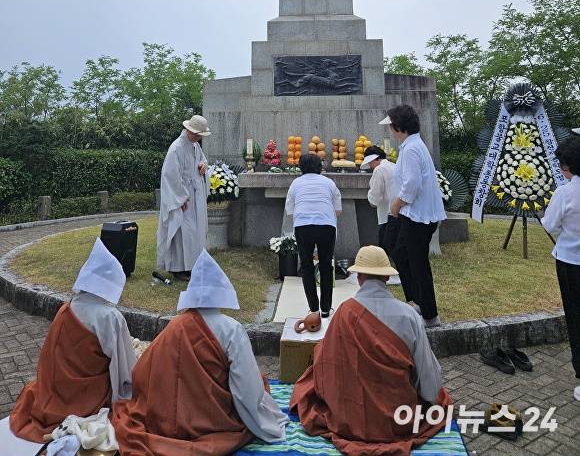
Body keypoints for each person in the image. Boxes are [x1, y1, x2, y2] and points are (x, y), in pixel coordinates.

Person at [113, 250, 288, 454]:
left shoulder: (174, 327)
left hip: (165, 418)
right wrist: (264, 420)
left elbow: (143, 372)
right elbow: (247, 390)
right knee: (261, 382)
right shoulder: (231, 329)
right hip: (213, 419)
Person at [290, 245, 452, 455]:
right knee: (440, 397)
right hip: (398, 418)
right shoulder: (408, 315)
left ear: (358, 277)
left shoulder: (344, 313)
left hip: (350, 417)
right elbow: (429, 385)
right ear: (386, 278)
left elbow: (326, 367)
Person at [10, 238, 136, 443]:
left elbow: (50, 358)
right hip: (87, 399)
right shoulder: (110, 317)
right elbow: (125, 371)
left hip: (55, 389)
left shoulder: (67, 308)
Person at [381, 105, 446, 328]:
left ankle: (429, 314)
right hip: (414, 215)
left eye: (391, 126)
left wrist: (397, 204)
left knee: (418, 263)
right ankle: (418, 301)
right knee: (400, 252)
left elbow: (412, 184)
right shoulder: (413, 145)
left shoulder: (411, 149)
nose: (390, 130)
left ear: (398, 127)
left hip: (417, 216)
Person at [542, 138, 580, 402]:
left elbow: (550, 225)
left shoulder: (565, 193)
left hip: (571, 263)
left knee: (576, 319)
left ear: (567, 166)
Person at [285, 152, 342, 330]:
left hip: (303, 226)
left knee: (307, 266)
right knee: (326, 266)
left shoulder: (296, 183)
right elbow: (338, 210)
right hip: (326, 225)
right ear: (320, 167)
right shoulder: (329, 183)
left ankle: (313, 308)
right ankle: (325, 310)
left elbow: (289, 210)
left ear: (300, 167)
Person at [157, 114, 210, 279]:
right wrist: (179, 198)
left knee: (196, 231)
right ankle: (178, 268)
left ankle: (193, 265)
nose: (199, 138)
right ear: (190, 131)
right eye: (198, 134)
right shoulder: (176, 147)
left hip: (196, 195)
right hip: (183, 197)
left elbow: (202, 160)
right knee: (182, 231)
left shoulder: (195, 146)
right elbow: (169, 175)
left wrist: (203, 166)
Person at [361, 145, 400, 259]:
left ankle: (386, 269)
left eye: (370, 163)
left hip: (388, 212)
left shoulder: (379, 169)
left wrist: (371, 199)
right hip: (398, 209)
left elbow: (375, 194)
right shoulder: (394, 165)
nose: (371, 167)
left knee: (386, 244)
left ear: (375, 159)